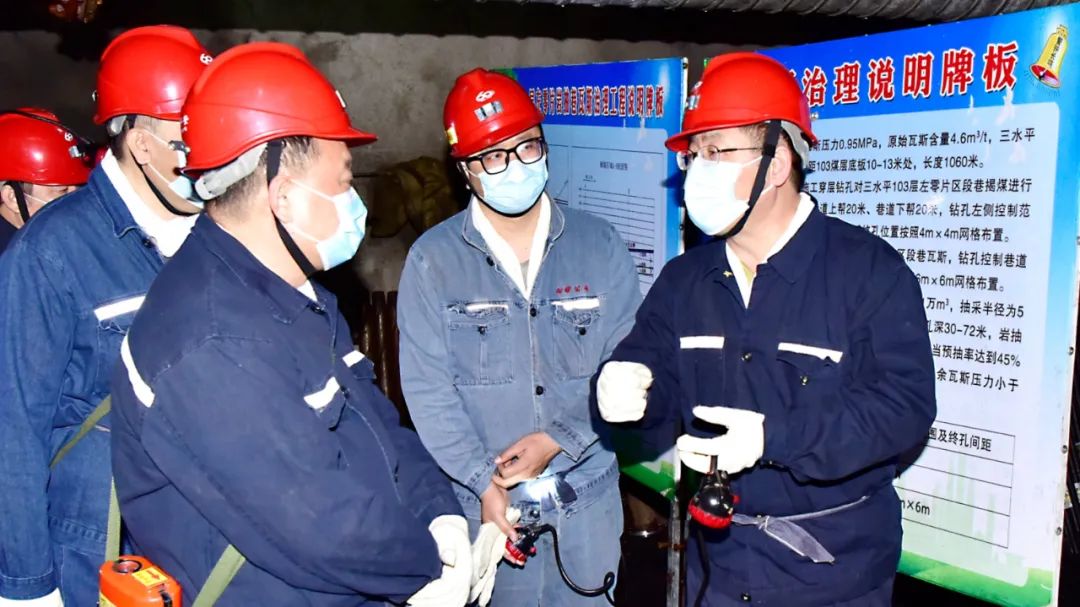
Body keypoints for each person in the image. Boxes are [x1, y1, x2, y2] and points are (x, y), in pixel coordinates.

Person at [110, 41, 469, 606]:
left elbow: (377, 423)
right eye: (344, 181)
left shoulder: (298, 293)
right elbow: (322, 525)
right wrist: (427, 567)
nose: (356, 203)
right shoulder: (211, 341)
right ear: (283, 196)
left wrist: (441, 514)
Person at [597, 51, 936, 606]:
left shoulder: (868, 272)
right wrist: (625, 388)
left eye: (716, 152)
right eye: (693, 154)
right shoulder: (685, 281)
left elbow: (903, 409)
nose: (696, 170)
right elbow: (653, 380)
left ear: (776, 164)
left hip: (833, 576)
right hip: (718, 568)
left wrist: (774, 439)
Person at [398, 67, 642, 606]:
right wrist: (480, 481)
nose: (514, 166)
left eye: (527, 147)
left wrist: (560, 437)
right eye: (492, 157)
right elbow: (428, 391)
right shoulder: (433, 262)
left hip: (586, 505)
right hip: (487, 511)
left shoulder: (599, 245)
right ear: (465, 171)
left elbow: (627, 363)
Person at [0, 26, 210, 607]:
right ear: (142, 145)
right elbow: (13, 428)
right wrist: (27, 588)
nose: (214, 155)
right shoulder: (51, 253)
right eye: (191, 138)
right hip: (97, 552)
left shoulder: (218, 236)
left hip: (202, 542)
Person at [0, 108, 90, 253]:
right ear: (13, 198)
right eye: (62, 191)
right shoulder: (10, 260)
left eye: (79, 187)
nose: (75, 201)